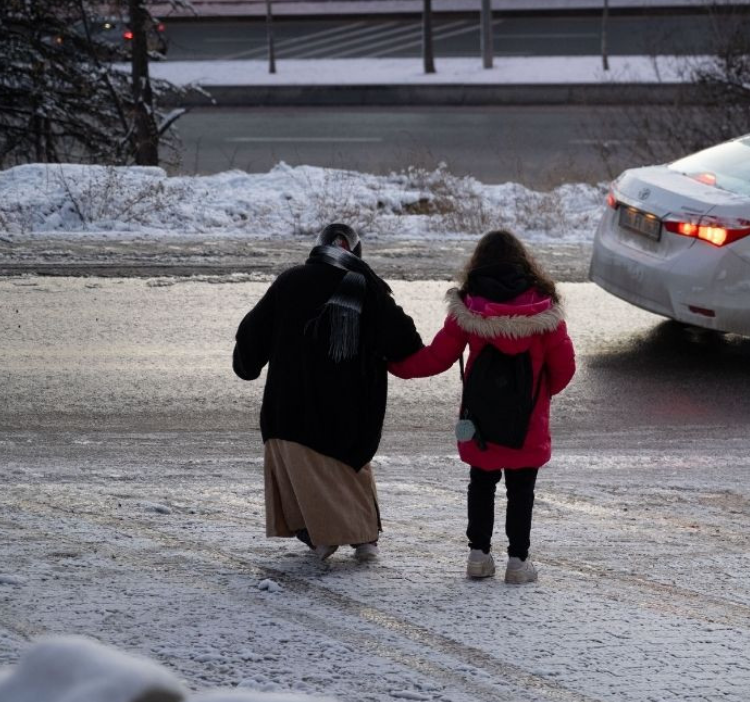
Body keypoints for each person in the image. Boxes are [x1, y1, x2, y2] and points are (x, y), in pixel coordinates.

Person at [390, 229, 576, 584]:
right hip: (528, 422)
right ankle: (518, 563)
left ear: (479, 263)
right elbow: (565, 369)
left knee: (481, 483)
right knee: (522, 490)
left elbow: (436, 358)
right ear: (525, 264)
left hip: (480, 419)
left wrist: (392, 364)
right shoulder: (545, 312)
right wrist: (541, 396)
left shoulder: (469, 309)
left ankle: (478, 556)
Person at [233, 223, 423, 562]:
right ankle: (363, 540)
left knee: (303, 473)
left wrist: (247, 365)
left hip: (290, 414)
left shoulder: (290, 282)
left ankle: (320, 535)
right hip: (349, 420)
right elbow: (405, 343)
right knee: (350, 471)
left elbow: (250, 339)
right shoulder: (367, 288)